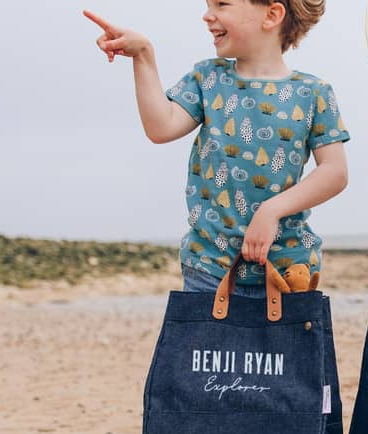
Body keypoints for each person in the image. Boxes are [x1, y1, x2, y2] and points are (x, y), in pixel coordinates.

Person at [84, 0, 349, 295]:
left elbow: (334, 172)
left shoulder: (313, 93)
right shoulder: (208, 79)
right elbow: (161, 128)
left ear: (272, 15)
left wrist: (271, 211)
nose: (207, 15)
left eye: (222, 4)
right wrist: (143, 55)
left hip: (288, 271)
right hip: (209, 268)